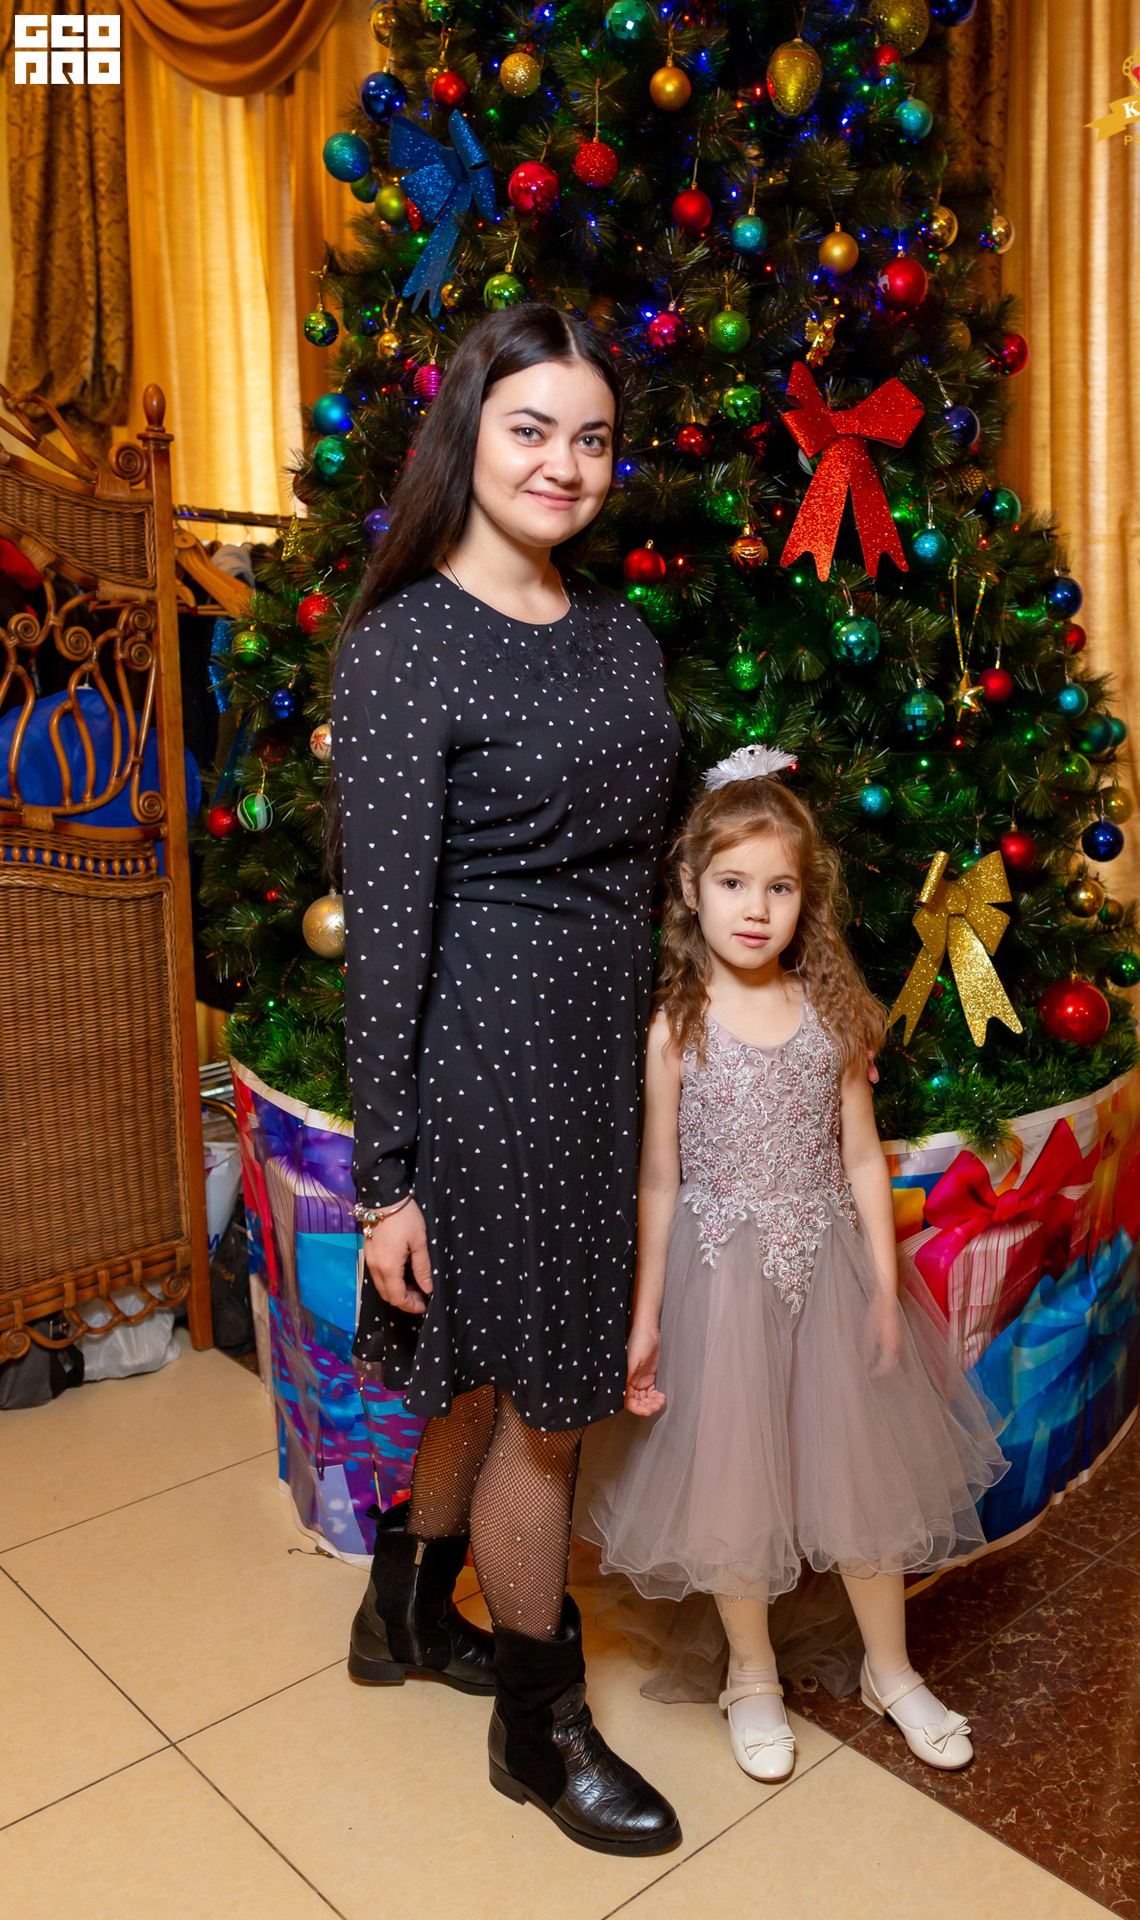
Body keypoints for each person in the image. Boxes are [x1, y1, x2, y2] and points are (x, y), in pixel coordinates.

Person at [330, 304, 682, 1855]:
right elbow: (385, 931)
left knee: (484, 1369)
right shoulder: (405, 647)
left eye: (592, 437)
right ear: (468, 432)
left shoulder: (619, 634)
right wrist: (387, 1182)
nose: (565, 463)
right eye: (533, 428)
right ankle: (542, 1729)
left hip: (596, 1060)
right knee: (544, 1408)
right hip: (487, 1068)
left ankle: (403, 1612)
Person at [577, 749, 1008, 1782]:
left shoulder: (831, 1016)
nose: (755, 909)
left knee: (863, 1483)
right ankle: (751, 1674)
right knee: (735, 1483)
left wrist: (884, 1291)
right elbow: (658, 1183)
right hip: (715, 1286)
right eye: (733, 883)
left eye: (779, 887)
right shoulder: (672, 1028)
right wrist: (646, 1318)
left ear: (805, 900)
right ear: (691, 890)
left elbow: (859, 1158)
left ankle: (891, 1670)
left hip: (829, 1276)